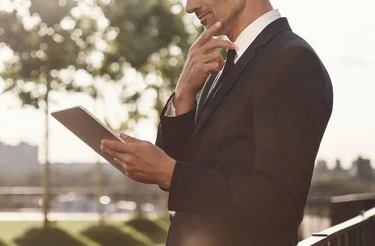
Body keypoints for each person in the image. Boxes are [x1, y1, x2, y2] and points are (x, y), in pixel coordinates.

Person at [99, 0, 333, 245]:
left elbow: (280, 203)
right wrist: (184, 95)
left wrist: (170, 174)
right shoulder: (222, 68)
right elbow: (187, 170)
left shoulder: (292, 60)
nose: (189, 7)